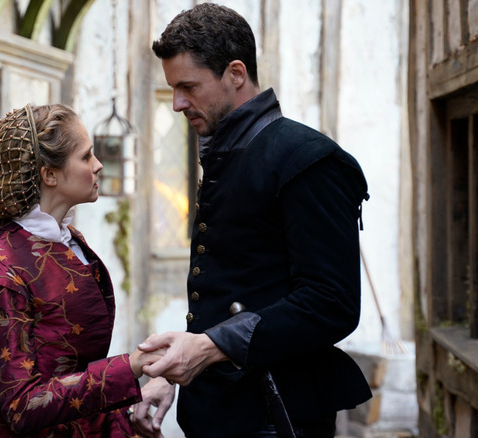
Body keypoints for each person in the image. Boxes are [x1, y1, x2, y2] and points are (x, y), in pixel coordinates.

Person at [129, 4, 372, 438]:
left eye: (188, 87)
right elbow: (235, 290)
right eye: (173, 88)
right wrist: (173, 375)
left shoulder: (307, 160)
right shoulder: (225, 154)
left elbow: (330, 303)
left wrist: (207, 347)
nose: (177, 103)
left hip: (276, 417)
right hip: (221, 412)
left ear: (236, 74)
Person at [0, 104, 162, 438]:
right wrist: (130, 368)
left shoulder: (67, 240)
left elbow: (72, 361)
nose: (97, 166)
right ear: (49, 174)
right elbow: (22, 406)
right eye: (86, 156)